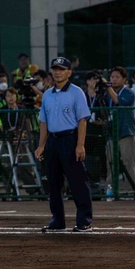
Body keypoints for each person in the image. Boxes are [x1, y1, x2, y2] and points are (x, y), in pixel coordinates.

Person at [35, 57, 93, 232]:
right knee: (53, 183)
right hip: (53, 141)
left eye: (61, 69)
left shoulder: (76, 92)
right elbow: (44, 122)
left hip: (70, 139)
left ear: (69, 72)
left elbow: (82, 120)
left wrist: (80, 145)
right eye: (55, 69)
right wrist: (41, 145)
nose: (57, 72)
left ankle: (84, 220)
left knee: (77, 182)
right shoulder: (47, 94)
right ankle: (57, 221)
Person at [104, 66, 135, 194]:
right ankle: (110, 188)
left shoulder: (128, 92)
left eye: (117, 77)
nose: (114, 79)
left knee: (128, 162)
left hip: (126, 132)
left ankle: (129, 190)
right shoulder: (107, 93)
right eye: (112, 77)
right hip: (112, 132)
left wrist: (108, 87)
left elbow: (118, 101)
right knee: (110, 162)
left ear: (124, 79)